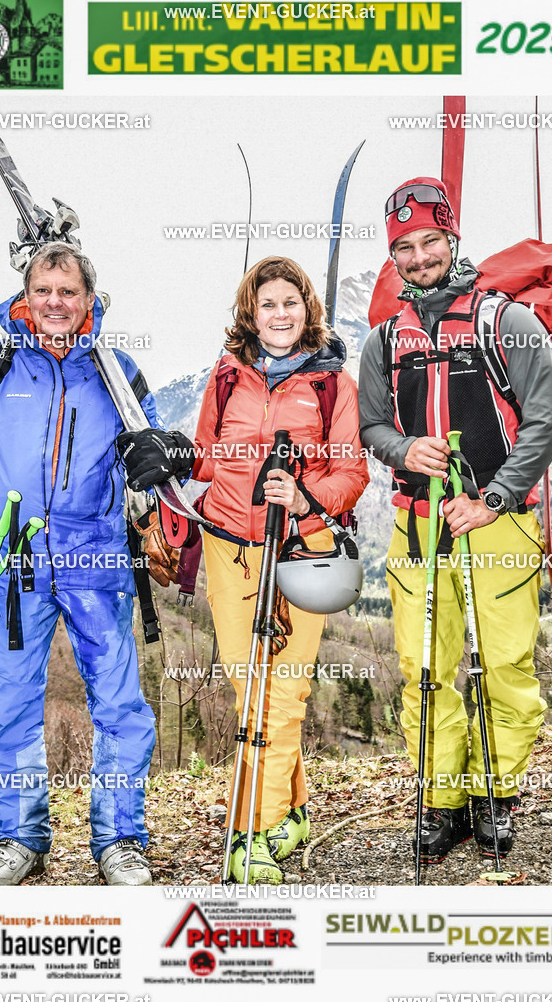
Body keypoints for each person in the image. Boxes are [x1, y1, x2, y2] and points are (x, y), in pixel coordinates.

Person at [0, 241, 192, 886]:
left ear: (88, 299)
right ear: (26, 295)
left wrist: (162, 454)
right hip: (12, 562)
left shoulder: (116, 370)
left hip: (97, 561)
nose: (55, 303)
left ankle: (119, 841)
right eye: (43, 290)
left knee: (119, 704)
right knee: (11, 704)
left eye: (68, 291)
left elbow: (155, 456)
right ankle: (19, 839)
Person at [122, 256, 369, 883]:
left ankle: (250, 833)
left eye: (290, 302)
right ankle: (295, 812)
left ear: (307, 308)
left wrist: (310, 499)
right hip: (230, 547)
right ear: (250, 313)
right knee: (246, 687)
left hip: (302, 550)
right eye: (267, 304)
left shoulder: (333, 382)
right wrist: (170, 451)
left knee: (281, 694)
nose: (279, 313)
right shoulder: (229, 375)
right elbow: (206, 457)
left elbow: (352, 472)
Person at [358, 178, 552, 864]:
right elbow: (370, 425)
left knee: (504, 664)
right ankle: (440, 799)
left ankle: (494, 795)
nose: (418, 257)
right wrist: (401, 447)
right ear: (393, 257)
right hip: (416, 523)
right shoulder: (384, 340)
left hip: (498, 521)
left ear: (451, 240)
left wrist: (494, 499)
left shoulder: (505, 322)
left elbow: (547, 421)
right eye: (404, 248)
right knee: (424, 668)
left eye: (429, 242)